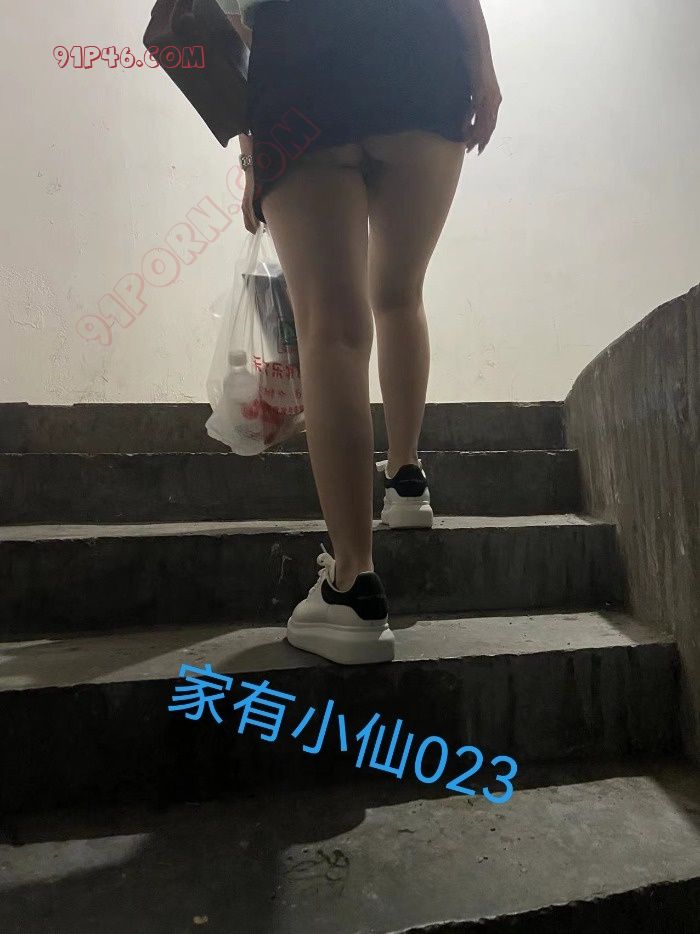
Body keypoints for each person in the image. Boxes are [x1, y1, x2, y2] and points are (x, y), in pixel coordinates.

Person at [218, 0, 501, 665]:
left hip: (301, 77)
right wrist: (482, 68)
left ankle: (353, 581)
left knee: (333, 332)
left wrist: (253, 147)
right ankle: (405, 478)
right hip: (418, 62)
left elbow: (231, 25)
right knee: (399, 295)